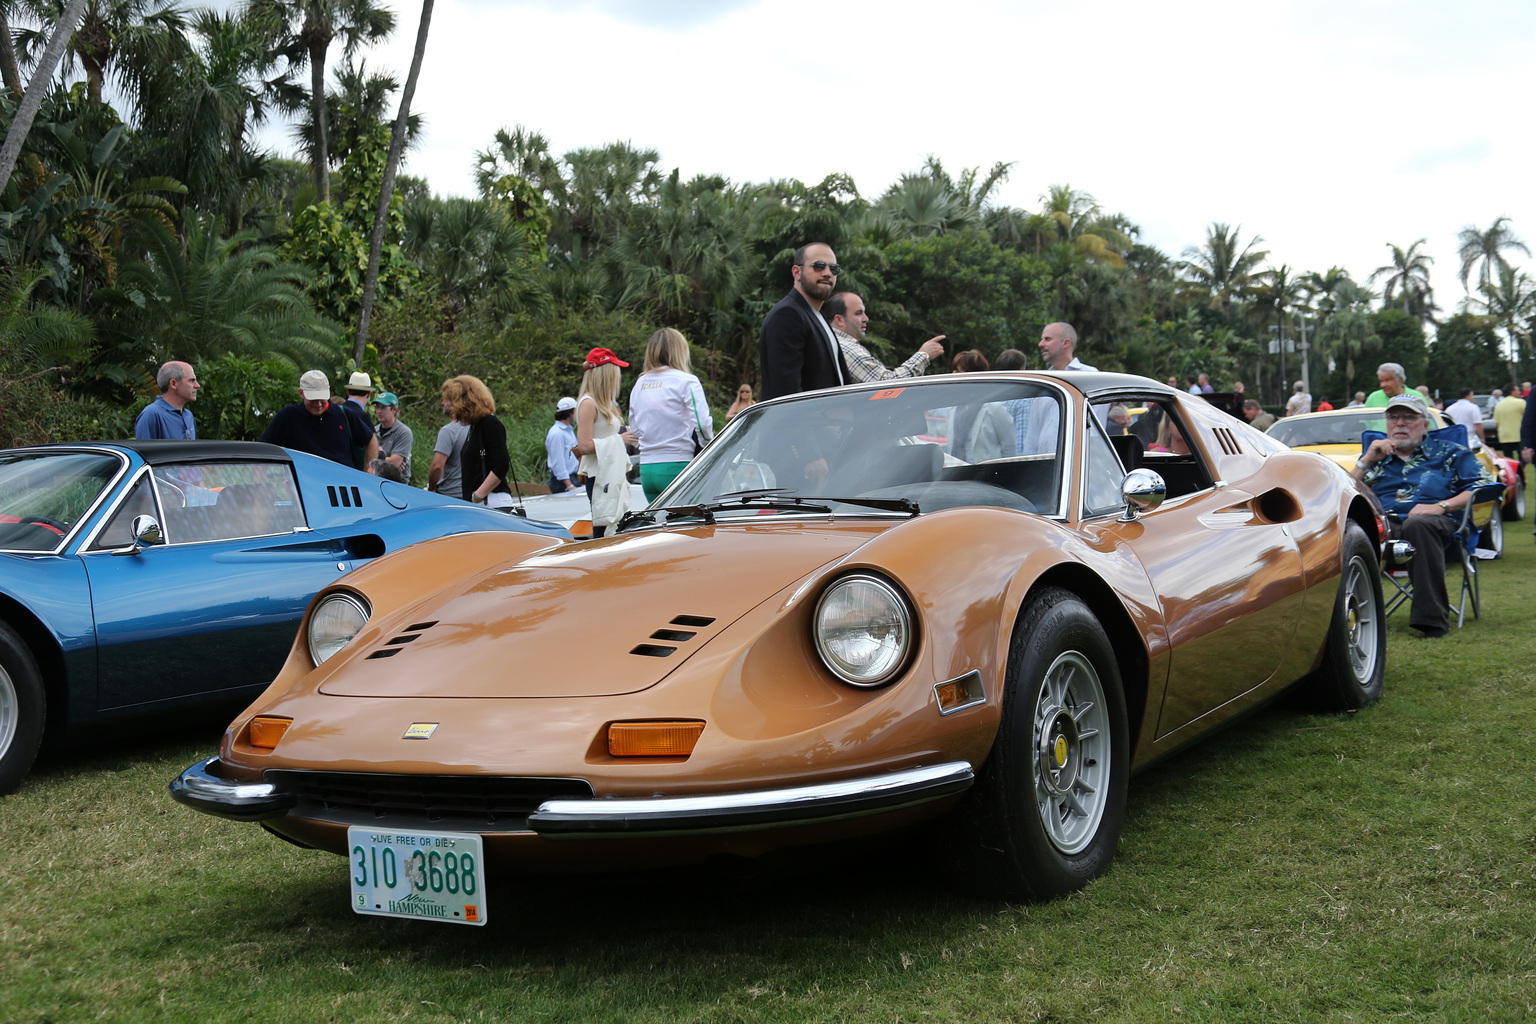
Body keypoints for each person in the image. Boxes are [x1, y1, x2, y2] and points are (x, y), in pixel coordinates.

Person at [1351, 392, 1494, 639]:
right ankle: (1345, 620)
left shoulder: (1451, 452)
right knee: (1347, 532)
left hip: (1440, 526)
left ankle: (1432, 622)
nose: (1400, 423)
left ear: (1425, 424)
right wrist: (1365, 461)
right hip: (1387, 527)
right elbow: (1343, 493)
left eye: (1409, 417)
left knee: (1418, 525)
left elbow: (1482, 488)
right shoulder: (1377, 458)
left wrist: (1441, 506)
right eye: (1393, 417)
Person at [629, 328, 714, 502]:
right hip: (677, 464)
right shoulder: (686, 380)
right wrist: (709, 446)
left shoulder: (640, 383)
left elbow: (635, 429)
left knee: (662, 525)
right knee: (690, 526)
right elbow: (702, 423)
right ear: (680, 351)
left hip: (646, 469)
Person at [758, 243, 847, 399]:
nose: (827, 273)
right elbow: (786, 393)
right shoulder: (787, 315)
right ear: (797, 272)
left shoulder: (816, 316)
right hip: (805, 421)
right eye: (819, 266)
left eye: (834, 269)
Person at [574, 348, 635, 537]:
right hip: (599, 477)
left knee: (614, 528)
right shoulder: (588, 403)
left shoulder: (604, 403)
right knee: (604, 529)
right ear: (606, 374)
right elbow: (583, 446)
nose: (617, 377)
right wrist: (619, 440)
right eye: (615, 372)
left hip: (611, 474)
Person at [260, 370, 378, 467]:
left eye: (322, 399)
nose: (318, 405)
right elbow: (264, 448)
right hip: (305, 482)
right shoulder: (289, 416)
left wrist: (369, 470)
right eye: (313, 400)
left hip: (341, 482)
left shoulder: (344, 414)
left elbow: (370, 439)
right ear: (301, 393)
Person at [822, 291, 944, 382]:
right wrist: (923, 355)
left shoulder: (833, 343)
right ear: (839, 320)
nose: (866, 319)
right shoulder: (845, 348)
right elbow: (887, 384)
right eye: (858, 313)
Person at [443, 375, 514, 509]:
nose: (449, 405)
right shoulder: (475, 426)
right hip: (480, 504)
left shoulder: (489, 424)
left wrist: (477, 496)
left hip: (490, 502)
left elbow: (502, 463)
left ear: (464, 401)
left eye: (452, 400)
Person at [948, 350, 1015, 463]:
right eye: (954, 371)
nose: (954, 375)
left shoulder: (994, 408)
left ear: (973, 375)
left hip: (986, 476)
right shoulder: (953, 409)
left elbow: (1009, 448)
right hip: (956, 474)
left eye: (959, 371)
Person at [134, 360, 200, 439]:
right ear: (173, 384)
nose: (197, 385)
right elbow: (143, 450)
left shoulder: (188, 416)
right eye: (191, 380)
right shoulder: (151, 414)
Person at [426, 395, 469, 497]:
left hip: (450, 494)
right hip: (472, 493)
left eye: (445, 399)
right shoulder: (476, 427)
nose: (442, 403)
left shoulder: (449, 431)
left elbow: (437, 466)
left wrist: (431, 487)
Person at [371, 392, 414, 483]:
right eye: (377, 407)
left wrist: (376, 456)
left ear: (394, 410)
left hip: (397, 485)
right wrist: (387, 461)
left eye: (383, 408)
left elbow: (394, 462)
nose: (379, 411)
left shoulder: (404, 432)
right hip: (376, 481)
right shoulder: (374, 430)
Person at [545, 397, 581, 493]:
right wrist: (569, 485)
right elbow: (558, 462)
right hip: (563, 482)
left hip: (573, 477)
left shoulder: (568, 430)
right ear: (570, 413)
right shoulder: (556, 434)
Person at [1494, 387, 1526, 460]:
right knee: (1522, 458)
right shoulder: (1520, 402)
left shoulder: (1498, 405)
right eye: (1518, 390)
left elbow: (1497, 423)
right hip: (1518, 435)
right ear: (1512, 392)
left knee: (1508, 459)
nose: (1519, 392)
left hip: (1504, 436)